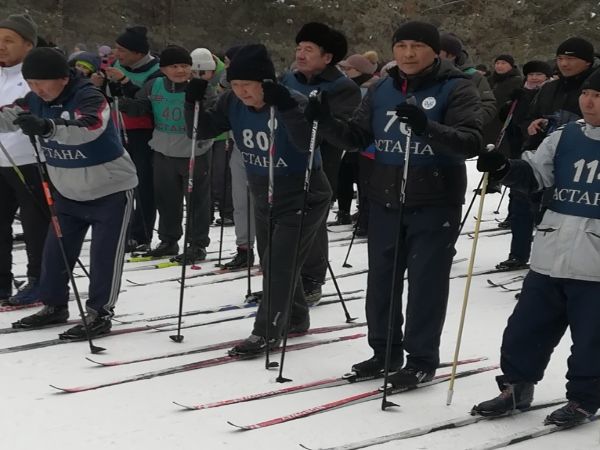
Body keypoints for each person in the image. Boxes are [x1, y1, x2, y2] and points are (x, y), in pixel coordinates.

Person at [304, 21, 483, 387]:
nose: (408, 53)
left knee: (425, 285)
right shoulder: (382, 87)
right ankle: (383, 351)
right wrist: (324, 122)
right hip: (385, 198)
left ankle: (420, 359)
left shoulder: (457, 87)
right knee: (382, 283)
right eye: (401, 46)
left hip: (434, 200)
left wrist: (426, 127)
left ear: (435, 51)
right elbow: (356, 137)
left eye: (417, 46)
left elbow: (470, 141)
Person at [472, 68, 600, 428]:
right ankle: (516, 386)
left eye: (598, 96)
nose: (588, 101)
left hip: (595, 264)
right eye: (587, 93)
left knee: (592, 339)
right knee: (525, 329)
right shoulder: (564, 136)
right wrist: (502, 168)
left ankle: (584, 399)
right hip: (550, 251)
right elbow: (534, 175)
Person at [185, 44, 331, 355]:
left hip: (301, 190)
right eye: (235, 85)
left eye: (247, 86)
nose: (241, 93)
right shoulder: (231, 102)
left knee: (280, 263)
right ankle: (294, 316)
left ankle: (266, 331)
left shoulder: (292, 101)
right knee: (270, 259)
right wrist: (192, 102)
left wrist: (289, 109)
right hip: (263, 188)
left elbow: (309, 143)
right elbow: (200, 132)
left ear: (265, 83)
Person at [0, 47, 137, 337]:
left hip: (109, 190)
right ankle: (54, 305)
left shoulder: (89, 96)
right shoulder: (33, 101)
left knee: (104, 256)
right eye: (31, 84)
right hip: (66, 191)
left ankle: (100, 313)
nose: (37, 90)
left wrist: (49, 128)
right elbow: (8, 116)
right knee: (55, 253)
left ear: (62, 78)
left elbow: (91, 126)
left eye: (42, 83)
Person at [281, 21, 361, 304]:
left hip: (319, 163)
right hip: (283, 158)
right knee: (283, 222)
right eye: (299, 48)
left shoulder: (342, 87)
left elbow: (342, 131)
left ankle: (312, 279)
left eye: (308, 50)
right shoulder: (288, 79)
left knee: (310, 222)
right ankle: (284, 280)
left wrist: (319, 118)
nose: (300, 54)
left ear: (327, 57)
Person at [118, 45, 214, 263]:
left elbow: (213, 109)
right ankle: (169, 240)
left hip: (193, 151)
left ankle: (197, 244)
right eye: (174, 66)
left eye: (184, 66)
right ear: (163, 69)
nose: (180, 70)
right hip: (164, 150)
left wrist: (203, 101)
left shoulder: (200, 86)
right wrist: (127, 105)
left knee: (197, 200)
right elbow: (142, 106)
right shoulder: (155, 86)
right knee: (166, 199)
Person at [0, 13, 49, 306]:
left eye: (9, 41)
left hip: (30, 162)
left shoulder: (35, 77)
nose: (1, 46)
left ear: (28, 45)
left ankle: (40, 281)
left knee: (35, 227)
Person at [102, 26, 160, 254]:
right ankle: (120, 230)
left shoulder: (154, 71)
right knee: (117, 183)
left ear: (138, 52)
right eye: (116, 48)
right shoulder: (117, 66)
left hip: (143, 133)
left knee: (143, 185)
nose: (117, 54)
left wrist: (125, 81)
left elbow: (145, 102)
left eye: (122, 50)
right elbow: (110, 96)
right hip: (117, 129)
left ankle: (141, 233)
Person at [495, 60, 552, 271]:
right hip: (520, 153)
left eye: (539, 74)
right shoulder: (521, 93)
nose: (535, 78)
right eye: (531, 74)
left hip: (543, 156)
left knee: (540, 211)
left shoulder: (551, 93)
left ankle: (543, 260)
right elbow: (507, 119)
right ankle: (517, 254)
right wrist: (510, 104)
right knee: (520, 206)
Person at [336, 54, 380, 233]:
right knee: (349, 176)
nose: (345, 72)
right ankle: (357, 214)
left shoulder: (371, 88)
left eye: (349, 69)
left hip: (369, 144)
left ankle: (367, 218)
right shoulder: (354, 87)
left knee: (366, 182)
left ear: (360, 71)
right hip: (359, 143)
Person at [190, 47, 232, 226]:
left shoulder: (224, 74)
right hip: (201, 134)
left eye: (203, 72)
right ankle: (205, 215)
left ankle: (227, 211)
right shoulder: (191, 77)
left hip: (221, 134)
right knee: (203, 176)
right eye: (195, 72)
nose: (199, 75)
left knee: (220, 176)